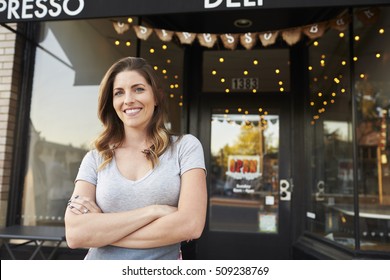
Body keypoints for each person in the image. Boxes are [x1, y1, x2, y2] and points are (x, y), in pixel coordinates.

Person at [64, 57, 207, 260]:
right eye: (119, 92)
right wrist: (153, 211)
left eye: (138, 89)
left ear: (156, 97)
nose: (128, 99)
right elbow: (76, 234)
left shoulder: (185, 148)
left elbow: (190, 225)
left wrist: (101, 231)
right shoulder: (96, 158)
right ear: (111, 102)